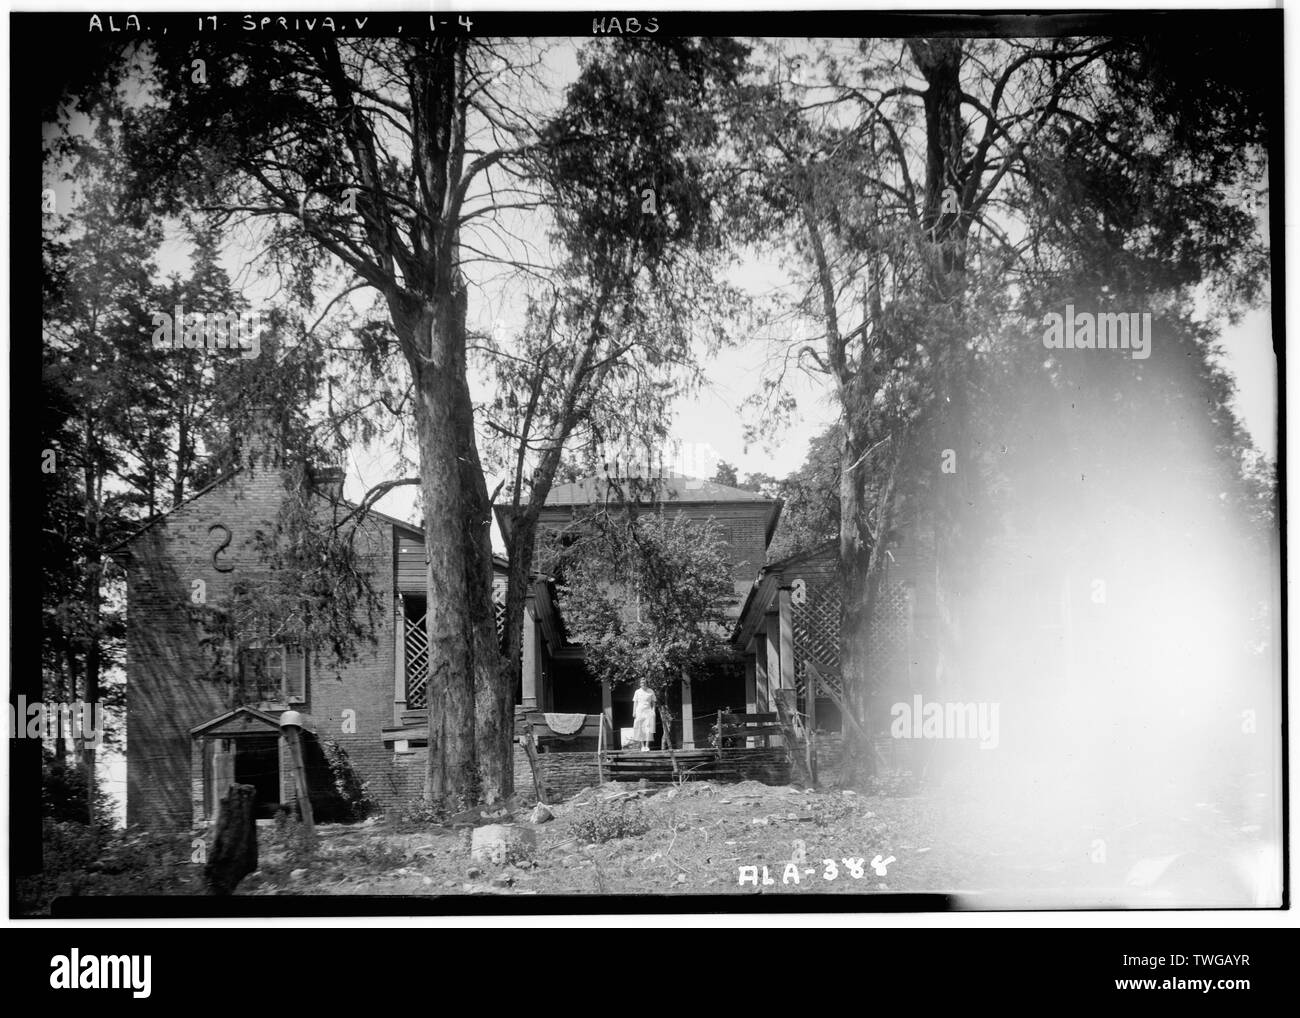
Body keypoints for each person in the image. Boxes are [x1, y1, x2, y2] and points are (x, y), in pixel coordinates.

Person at [631, 678, 656, 751]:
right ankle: (642, 746)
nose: (643, 684)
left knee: (648, 728)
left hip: (648, 711)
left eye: (644, 682)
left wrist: (653, 710)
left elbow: (654, 702)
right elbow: (635, 702)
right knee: (640, 728)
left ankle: (647, 746)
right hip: (639, 711)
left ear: (646, 683)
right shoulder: (637, 692)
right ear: (640, 684)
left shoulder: (650, 691)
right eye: (641, 683)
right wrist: (634, 712)